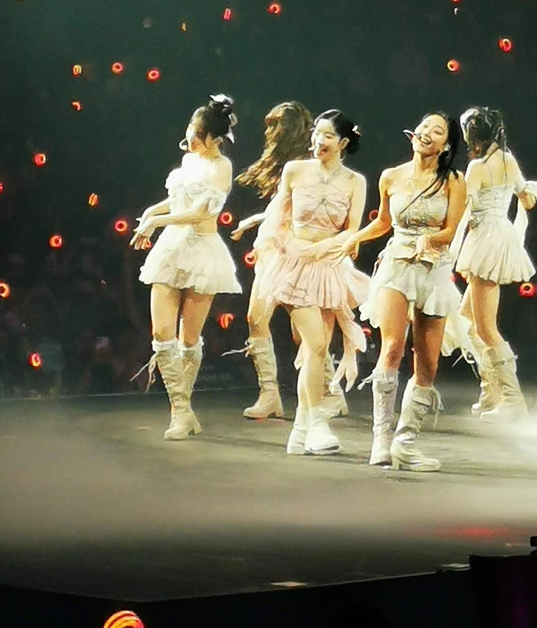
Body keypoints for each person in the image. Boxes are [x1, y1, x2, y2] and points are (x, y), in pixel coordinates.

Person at [353, 110, 467, 470]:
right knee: (391, 347)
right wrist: (353, 239)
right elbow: (383, 222)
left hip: (433, 268)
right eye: (425, 126)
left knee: (428, 364)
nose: (428, 133)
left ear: (446, 145)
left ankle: (406, 442)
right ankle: (381, 438)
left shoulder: (453, 180)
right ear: (414, 133)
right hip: (397, 264)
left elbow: (452, 230)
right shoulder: (391, 176)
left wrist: (430, 240)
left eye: (438, 131)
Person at [131, 95, 241, 440]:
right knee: (161, 334)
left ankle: (182, 412)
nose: (190, 139)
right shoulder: (188, 160)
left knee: (188, 339)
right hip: (171, 249)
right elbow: (177, 200)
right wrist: (150, 213)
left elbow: (198, 214)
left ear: (215, 138)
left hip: (202, 252)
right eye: (190, 131)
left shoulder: (221, 167)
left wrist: (156, 222)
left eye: (197, 134)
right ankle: (181, 410)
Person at [270, 110, 372, 457]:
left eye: (327, 135)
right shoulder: (294, 170)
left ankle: (300, 432)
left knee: (316, 352)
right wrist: (293, 246)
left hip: (329, 266)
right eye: (316, 132)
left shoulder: (355, 181)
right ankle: (317, 423)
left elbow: (352, 230)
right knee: (314, 345)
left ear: (342, 143)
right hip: (295, 265)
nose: (318, 140)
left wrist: (323, 249)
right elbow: (279, 219)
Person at [453, 106, 537, 420]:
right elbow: (527, 199)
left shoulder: (477, 167)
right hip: (499, 234)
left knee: (485, 328)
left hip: (485, 240)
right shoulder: (508, 160)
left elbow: (463, 209)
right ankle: (492, 389)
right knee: (467, 320)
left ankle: (512, 398)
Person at [229, 100, 315, 422]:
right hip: (272, 249)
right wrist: (252, 222)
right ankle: (269, 394)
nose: (269, 132)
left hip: (297, 251)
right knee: (256, 318)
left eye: (275, 125)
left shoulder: (307, 165)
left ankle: (329, 392)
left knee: (302, 330)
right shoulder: (284, 166)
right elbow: (280, 208)